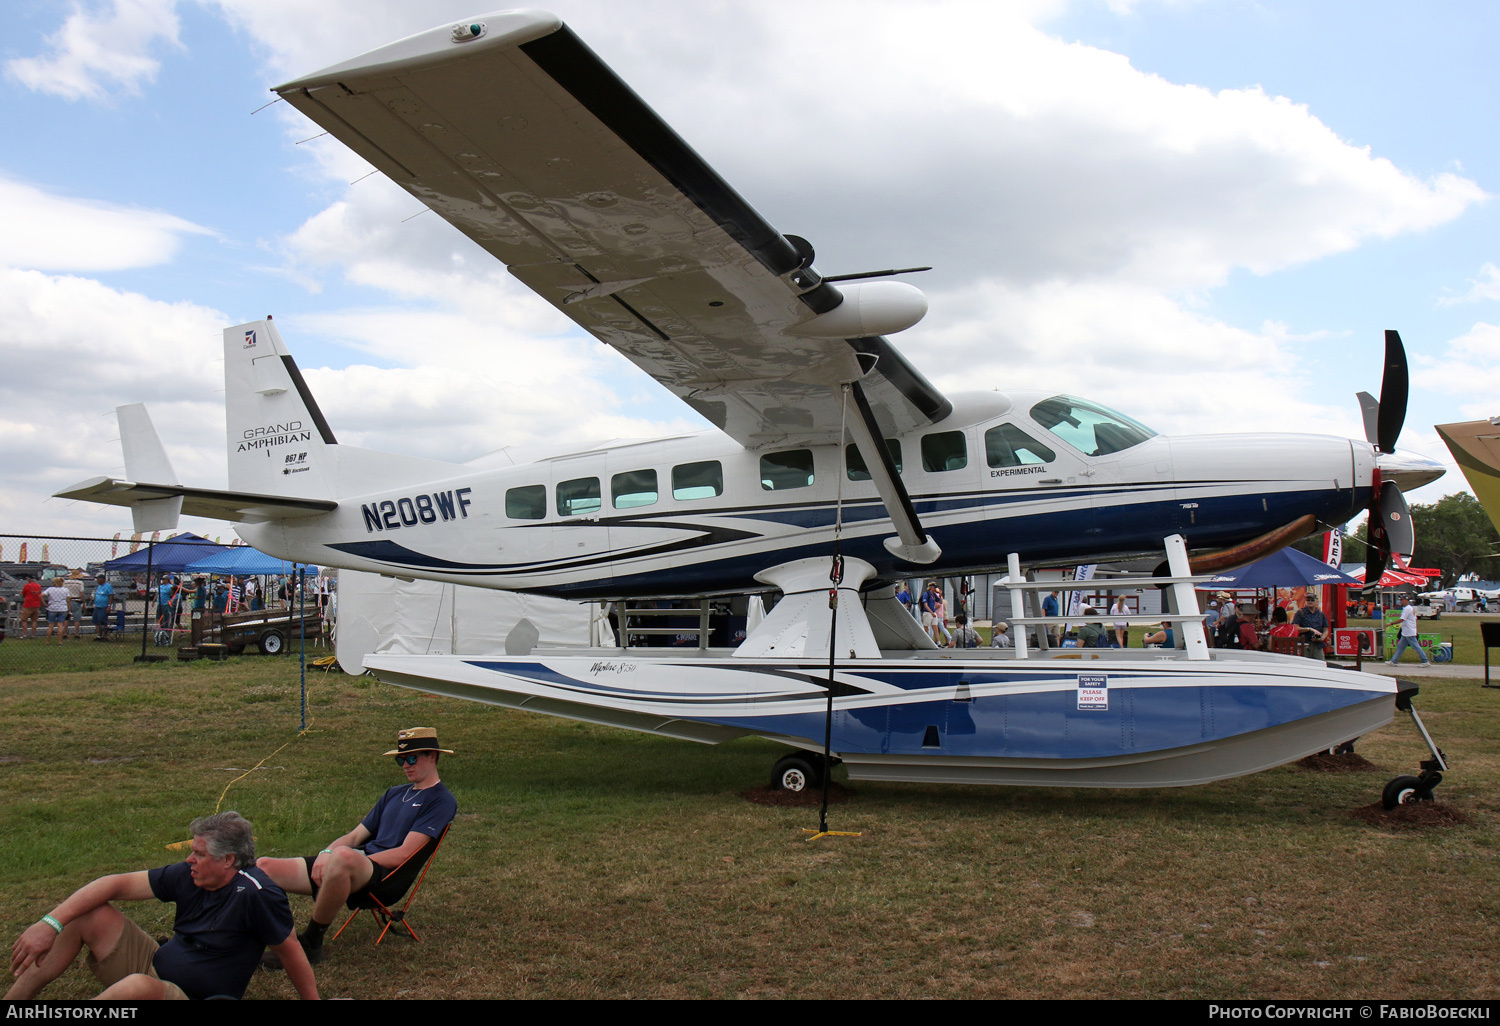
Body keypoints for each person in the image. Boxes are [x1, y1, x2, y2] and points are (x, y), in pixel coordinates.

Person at [6, 811, 317, 1001]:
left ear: (228, 860)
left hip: (192, 995)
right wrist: (50, 924)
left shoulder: (257, 894)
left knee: (137, 988)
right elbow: (113, 884)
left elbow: (290, 951)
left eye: (199, 853)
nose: (189, 860)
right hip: (153, 966)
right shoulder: (190, 874)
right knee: (84, 914)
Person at [258, 727, 458, 967]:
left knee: (344, 856)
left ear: (433, 756)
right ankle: (275, 940)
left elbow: (404, 854)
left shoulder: (440, 800)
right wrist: (326, 853)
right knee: (264, 867)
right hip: (352, 861)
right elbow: (354, 836)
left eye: (412, 758)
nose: (406, 765)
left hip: (385, 877)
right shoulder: (394, 793)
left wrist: (344, 858)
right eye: (401, 759)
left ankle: (310, 942)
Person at [1388, 597, 1430, 666]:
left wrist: (1391, 623)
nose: (1400, 601)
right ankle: (1393, 661)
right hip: (1406, 631)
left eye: (1402, 600)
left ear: (1406, 600)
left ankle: (1425, 661)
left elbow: (1402, 619)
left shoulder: (1407, 609)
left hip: (1409, 631)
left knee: (1416, 646)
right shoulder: (1409, 608)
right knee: (1400, 646)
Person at [1292, 592, 1330, 661]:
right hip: (1305, 644)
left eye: (1312, 600)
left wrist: (1322, 638)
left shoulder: (1321, 614)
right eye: (1308, 600)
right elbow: (1295, 628)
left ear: (1317, 602)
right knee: (1304, 663)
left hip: (1318, 644)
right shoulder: (1300, 612)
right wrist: (1309, 629)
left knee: (1320, 664)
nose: (1310, 602)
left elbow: (1326, 629)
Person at [41, 578, 70, 646]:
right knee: (60, 625)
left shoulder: (50, 589)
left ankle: (47, 641)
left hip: (52, 608)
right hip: (62, 608)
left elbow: (41, 595)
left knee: (50, 625)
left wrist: (45, 604)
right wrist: (69, 609)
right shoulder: (65, 590)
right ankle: (60, 642)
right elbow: (68, 600)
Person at [91, 574, 115, 641]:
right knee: (96, 621)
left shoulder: (108, 586)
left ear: (102, 579)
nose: (97, 581)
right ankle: (98, 635)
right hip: (97, 606)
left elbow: (111, 596)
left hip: (104, 606)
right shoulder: (99, 586)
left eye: (98, 579)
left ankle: (105, 636)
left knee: (103, 621)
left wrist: (109, 606)